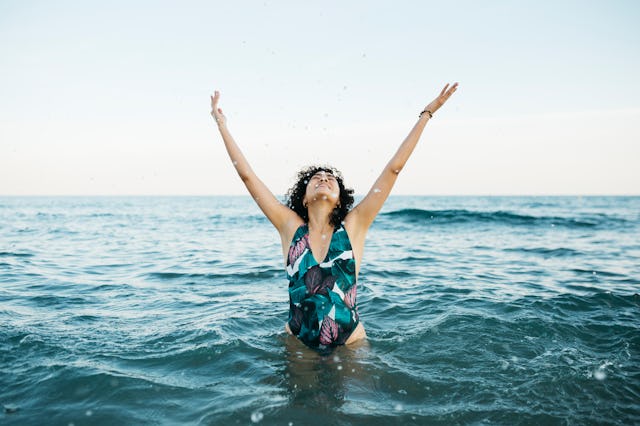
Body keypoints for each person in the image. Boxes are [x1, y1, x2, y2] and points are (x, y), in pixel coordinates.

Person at [210, 83, 458, 349]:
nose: (324, 179)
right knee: (296, 393)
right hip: (299, 341)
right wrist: (222, 124)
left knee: (358, 392)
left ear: (340, 197)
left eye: (330, 178)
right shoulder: (290, 226)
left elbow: (393, 170)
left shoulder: (354, 225)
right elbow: (247, 177)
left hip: (350, 340)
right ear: (303, 198)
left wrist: (426, 114)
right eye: (316, 178)